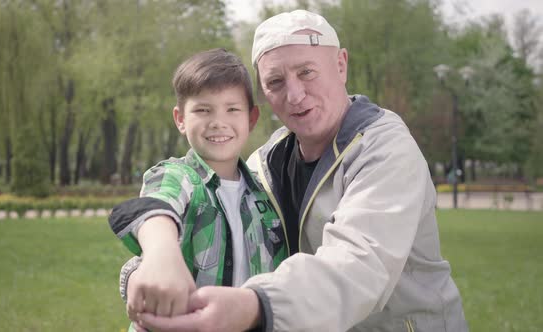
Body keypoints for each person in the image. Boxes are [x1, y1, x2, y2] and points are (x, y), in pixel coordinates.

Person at [120, 10, 468, 332]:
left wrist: (256, 304)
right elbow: (182, 208)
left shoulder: (385, 148)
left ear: (341, 64)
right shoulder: (264, 164)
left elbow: (360, 264)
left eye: (307, 72)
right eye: (275, 82)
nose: (295, 95)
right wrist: (147, 268)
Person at [108, 48, 287, 331]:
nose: (218, 122)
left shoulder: (265, 195)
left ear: (251, 119)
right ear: (180, 119)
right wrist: (160, 253)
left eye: (232, 109)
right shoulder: (177, 176)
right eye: (203, 110)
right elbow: (155, 207)